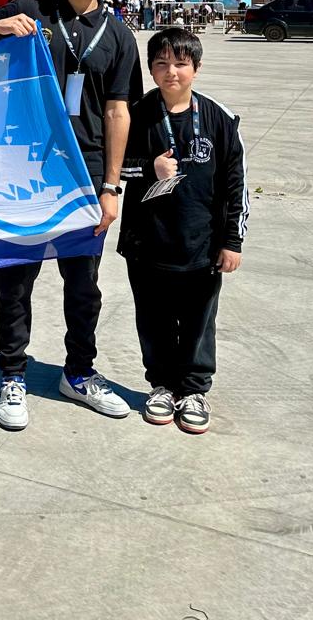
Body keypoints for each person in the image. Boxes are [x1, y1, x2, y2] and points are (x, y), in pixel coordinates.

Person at [0, 0, 142, 431]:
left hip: (84, 177)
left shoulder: (120, 35)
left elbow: (119, 111)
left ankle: (78, 373)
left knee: (84, 285)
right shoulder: (31, 10)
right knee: (15, 281)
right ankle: (12, 375)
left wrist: (112, 186)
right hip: (23, 171)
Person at [118, 29, 248, 434]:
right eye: (161, 64)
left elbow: (236, 183)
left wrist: (232, 241)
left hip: (202, 245)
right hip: (147, 242)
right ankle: (160, 385)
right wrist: (148, 169)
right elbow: (115, 169)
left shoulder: (219, 119)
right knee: (153, 319)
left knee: (197, 320)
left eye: (180, 63)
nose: (171, 71)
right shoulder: (136, 115)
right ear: (151, 69)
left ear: (196, 68)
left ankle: (193, 390)